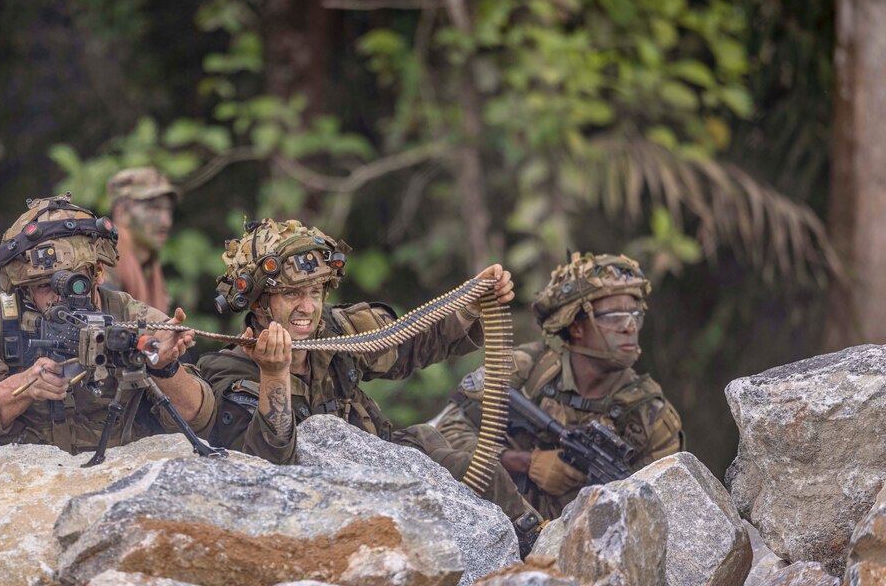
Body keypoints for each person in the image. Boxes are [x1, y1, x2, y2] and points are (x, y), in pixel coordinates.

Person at [196, 218, 545, 549]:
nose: (307, 307)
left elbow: (409, 343)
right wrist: (274, 375)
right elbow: (265, 470)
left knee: (479, 469)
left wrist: (468, 308)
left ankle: (542, 543)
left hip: (389, 462)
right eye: (291, 294)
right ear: (258, 303)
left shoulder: (339, 330)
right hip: (318, 507)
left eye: (315, 292)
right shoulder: (231, 371)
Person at [0, 193, 214, 454]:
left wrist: (164, 367)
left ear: (98, 273)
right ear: (24, 288)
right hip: (24, 480)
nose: (62, 297)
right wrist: (22, 387)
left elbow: (198, 418)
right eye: (46, 286)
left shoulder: (131, 317)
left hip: (116, 472)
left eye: (76, 282)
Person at [435, 252, 683, 520]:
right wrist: (526, 462)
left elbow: (666, 514)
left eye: (635, 316)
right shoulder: (525, 369)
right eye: (614, 317)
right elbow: (445, 435)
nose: (629, 327)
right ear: (576, 326)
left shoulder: (652, 417)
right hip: (491, 527)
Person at [103, 167, 178, 314]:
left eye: (168, 210)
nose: (165, 222)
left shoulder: (148, 263)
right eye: (154, 209)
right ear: (122, 212)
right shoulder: (103, 260)